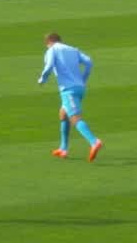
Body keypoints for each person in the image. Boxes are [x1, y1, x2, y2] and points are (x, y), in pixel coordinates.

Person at [38, 33, 102, 161]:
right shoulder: (73, 49)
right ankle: (63, 149)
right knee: (63, 114)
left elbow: (49, 65)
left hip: (68, 90)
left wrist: (42, 79)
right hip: (79, 88)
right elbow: (89, 62)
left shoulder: (52, 50)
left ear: (48, 43)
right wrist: (83, 79)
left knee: (75, 118)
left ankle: (94, 141)